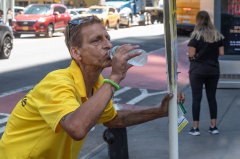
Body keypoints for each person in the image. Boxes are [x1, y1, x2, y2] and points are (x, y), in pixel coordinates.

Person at [0, 16, 185, 158]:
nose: (108, 45)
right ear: (76, 52)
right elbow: (77, 128)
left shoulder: (97, 85)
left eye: (107, 38)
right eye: (96, 41)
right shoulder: (57, 82)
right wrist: (115, 78)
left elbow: (112, 119)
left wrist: (159, 111)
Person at [187, 11, 224, 136]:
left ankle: (196, 128)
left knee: (196, 98)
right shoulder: (217, 35)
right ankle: (213, 127)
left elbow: (191, 54)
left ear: (198, 21)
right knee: (212, 98)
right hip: (213, 70)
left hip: (197, 71)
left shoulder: (196, 36)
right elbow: (222, 53)